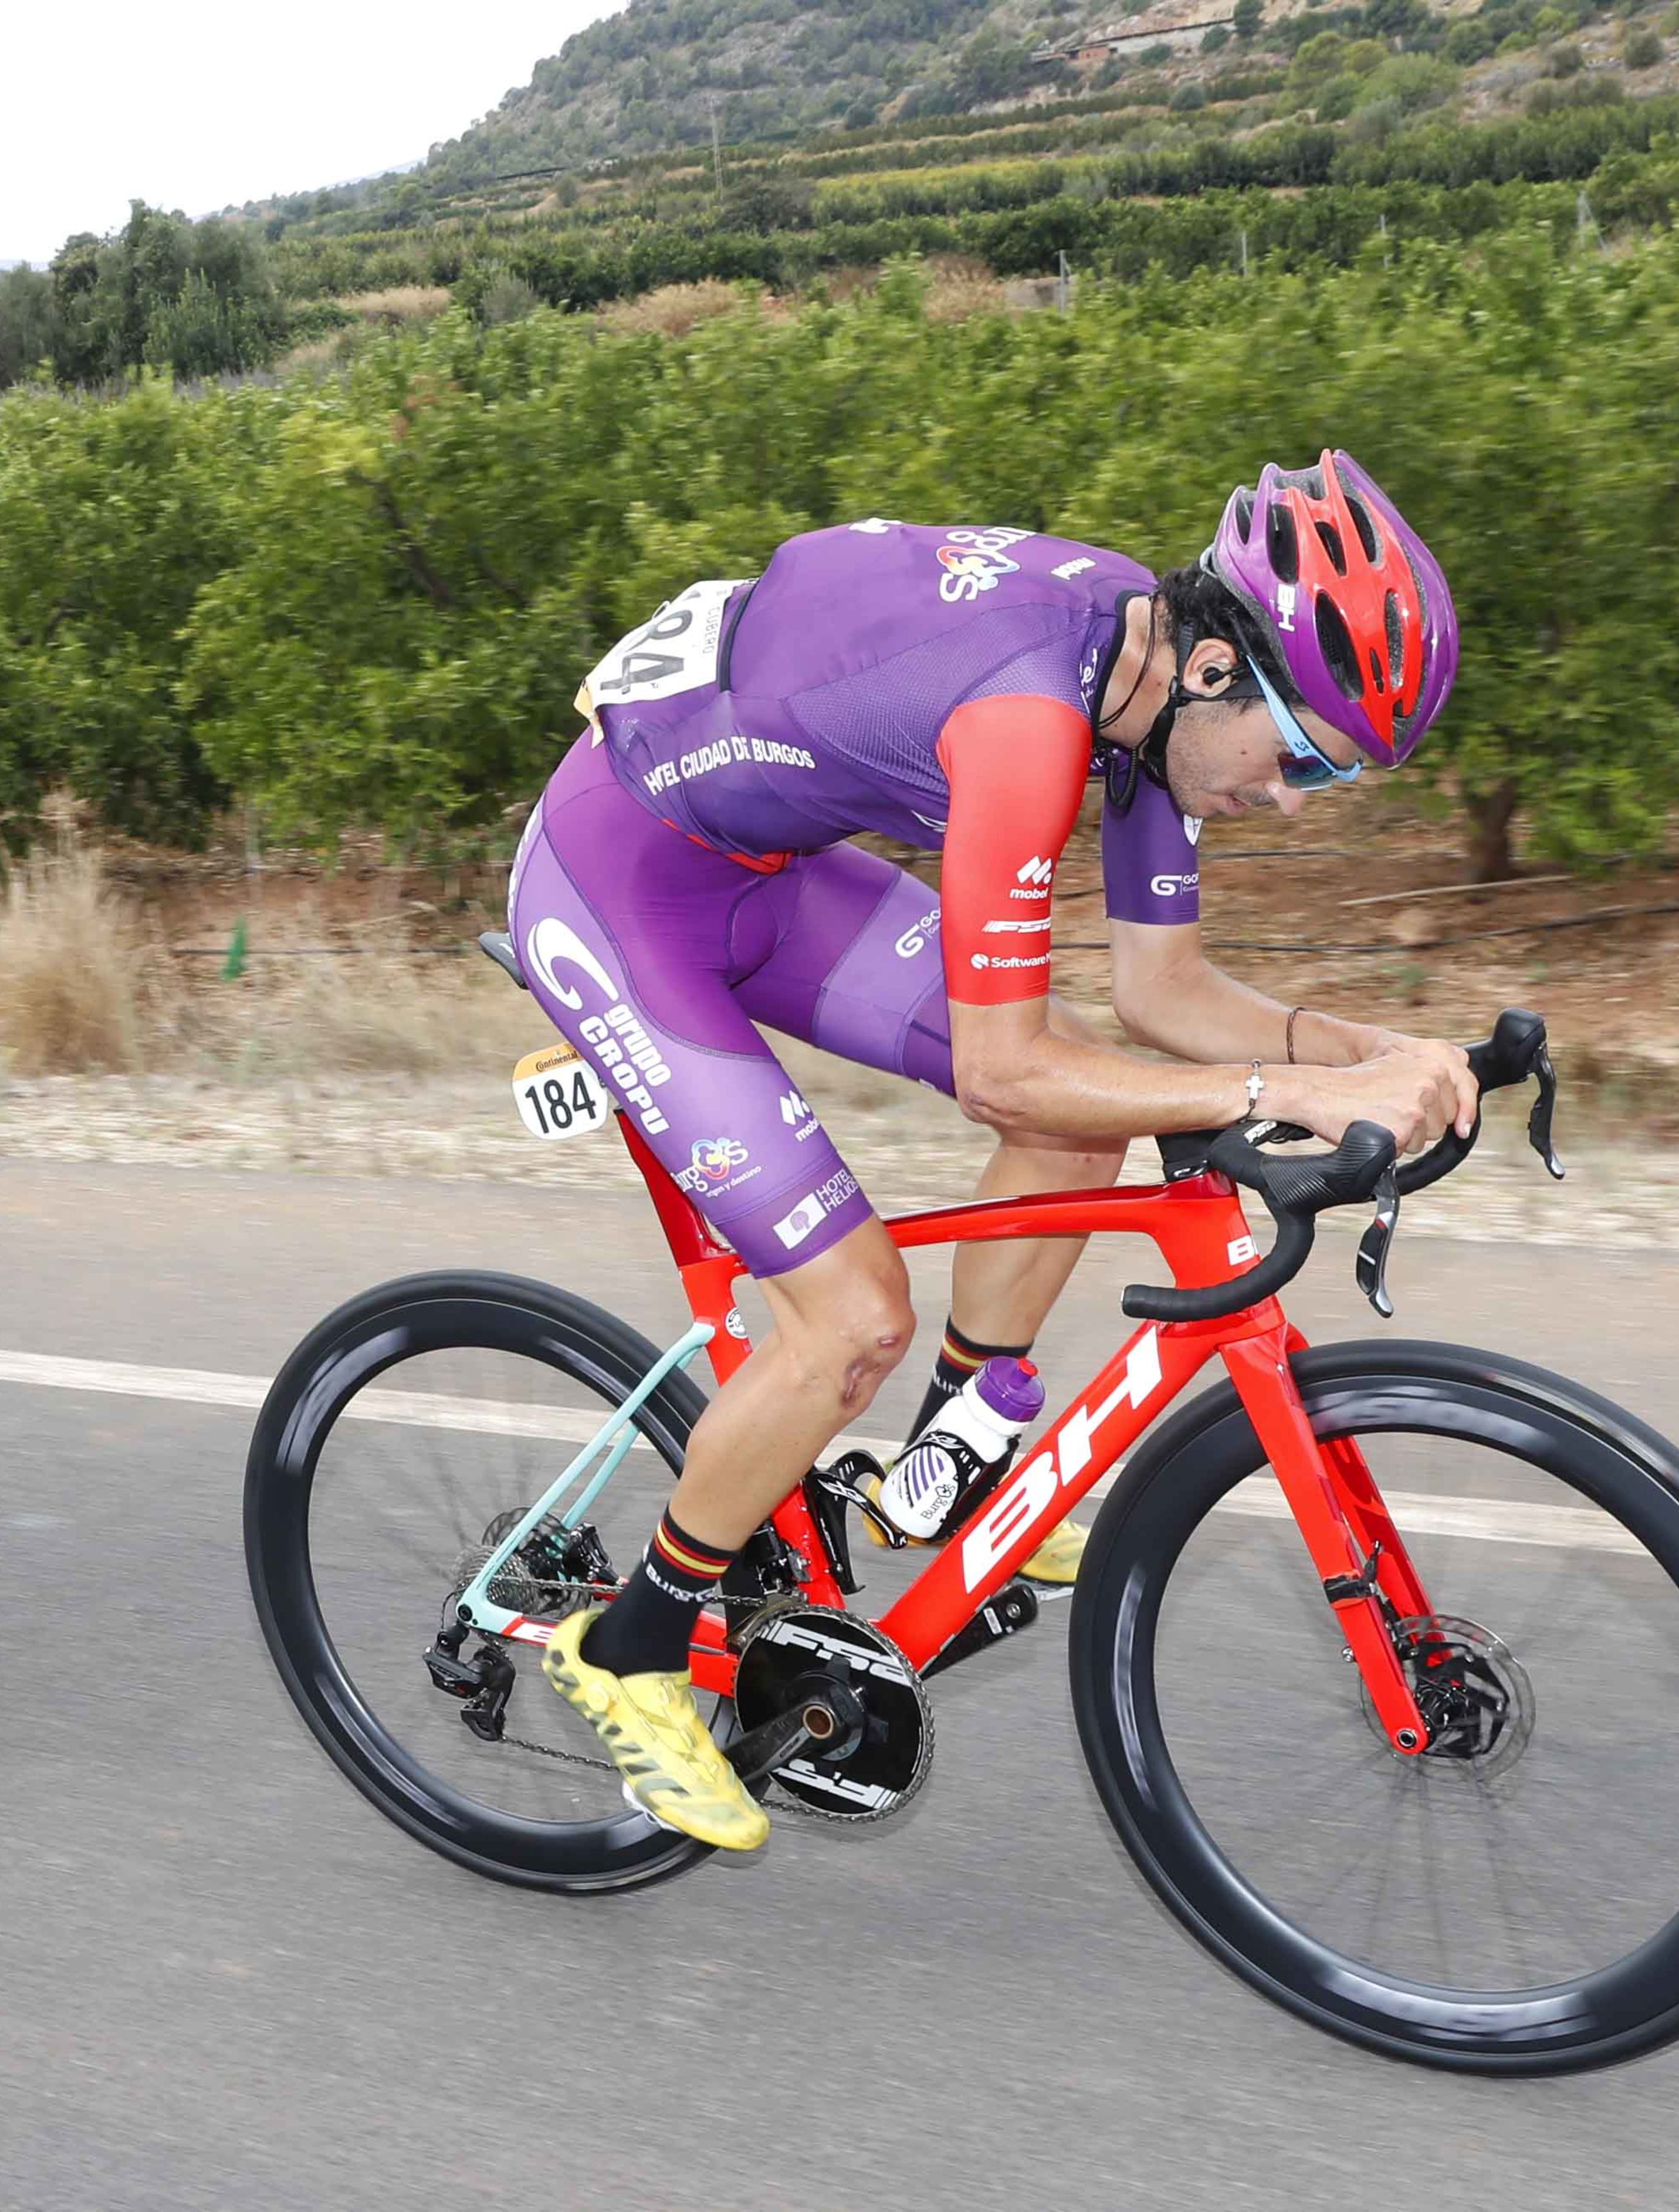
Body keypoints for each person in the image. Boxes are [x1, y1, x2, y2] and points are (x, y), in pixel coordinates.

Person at [509, 453, 1474, 1848]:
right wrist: (1277, 1090)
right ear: (1218, 669)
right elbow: (1002, 1070)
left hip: (764, 875)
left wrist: (1372, 1058)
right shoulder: (1033, 717)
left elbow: (1162, 996)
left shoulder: (1147, 683)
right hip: (618, 889)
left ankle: (945, 1476)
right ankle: (633, 1648)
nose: (1298, 799)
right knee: (850, 1318)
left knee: (1100, 1097)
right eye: (1308, 753)